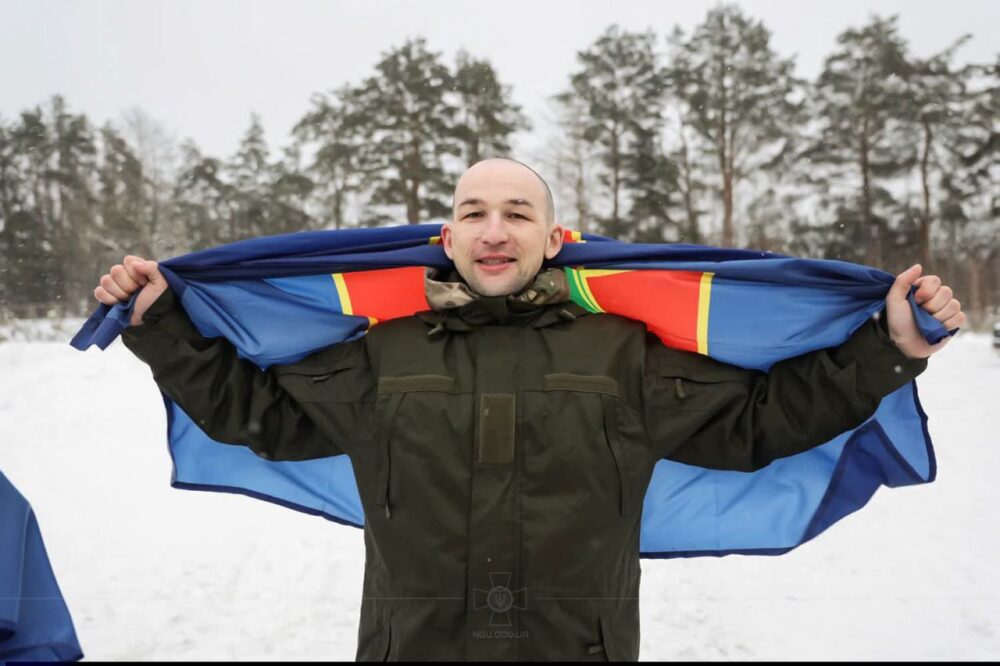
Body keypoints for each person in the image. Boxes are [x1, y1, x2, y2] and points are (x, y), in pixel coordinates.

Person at [94, 158, 965, 661]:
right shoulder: (385, 356)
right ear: (447, 239)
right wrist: (159, 324)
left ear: (553, 240)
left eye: (518, 213)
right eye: (473, 213)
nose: (494, 229)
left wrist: (886, 347)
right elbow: (260, 416)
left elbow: (755, 426)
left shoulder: (619, 353)